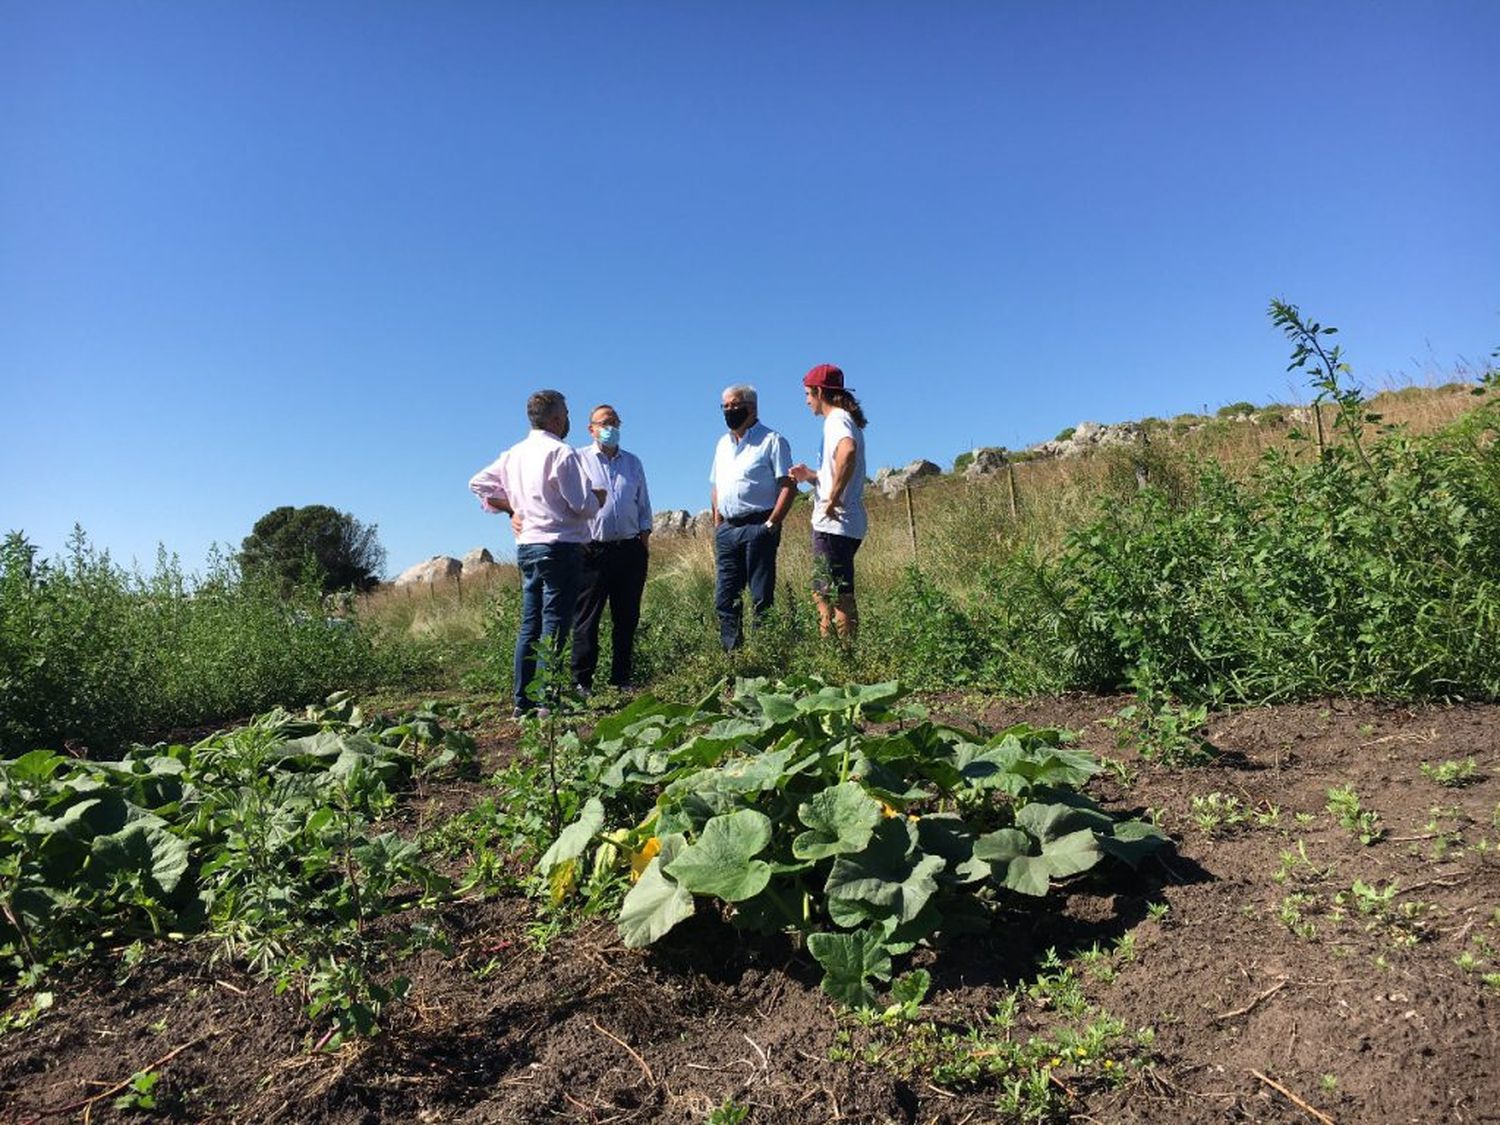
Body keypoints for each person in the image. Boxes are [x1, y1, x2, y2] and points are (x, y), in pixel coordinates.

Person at [468, 390, 604, 716]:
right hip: (559, 545)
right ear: (557, 419)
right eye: (567, 414)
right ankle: (547, 701)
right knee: (555, 624)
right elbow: (580, 505)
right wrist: (597, 498)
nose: (569, 419)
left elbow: (478, 484)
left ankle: (522, 702)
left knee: (531, 624)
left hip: (527, 546)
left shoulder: (513, 454)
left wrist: (513, 508)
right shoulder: (561, 453)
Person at [571, 403, 653, 693]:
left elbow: (643, 505)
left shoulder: (632, 463)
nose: (611, 428)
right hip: (592, 551)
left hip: (629, 549)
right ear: (591, 428)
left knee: (627, 617)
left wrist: (643, 541)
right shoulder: (578, 460)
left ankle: (621, 679)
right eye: (605, 423)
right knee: (587, 618)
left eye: (615, 422)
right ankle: (582, 682)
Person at [709, 383, 794, 650]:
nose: (729, 411)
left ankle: (764, 654)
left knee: (760, 597)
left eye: (734, 405)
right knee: (726, 597)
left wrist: (772, 523)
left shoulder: (772, 441)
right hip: (728, 530)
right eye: (725, 406)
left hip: (759, 525)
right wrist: (718, 523)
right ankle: (733, 657)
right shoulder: (722, 444)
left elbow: (788, 485)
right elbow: (716, 486)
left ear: (751, 407)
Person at [789, 364, 867, 640]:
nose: (806, 400)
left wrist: (831, 499)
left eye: (808, 394)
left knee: (829, 595)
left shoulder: (836, 421)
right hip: (846, 523)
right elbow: (838, 465)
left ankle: (836, 657)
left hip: (834, 524)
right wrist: (811, 476)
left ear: (819, 391)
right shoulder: (844, 420)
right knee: (832, 591)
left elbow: (848, 452)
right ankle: (841, 653)